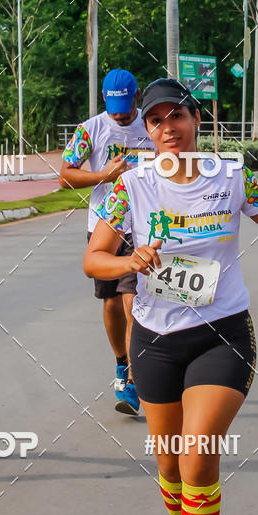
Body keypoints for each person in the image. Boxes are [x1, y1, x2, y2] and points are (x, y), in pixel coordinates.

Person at [84, 78, 258, 515]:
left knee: (197, 453)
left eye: (176, 117)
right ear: (147, 129)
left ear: (196, 120)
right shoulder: (132, 187)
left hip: (222, 333)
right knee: (168, 463)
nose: (167, 129)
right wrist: (129, 261)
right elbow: (94, 260)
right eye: (155, 121)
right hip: (155, 340)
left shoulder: (232, 177)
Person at [59, 69, 154, 415]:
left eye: (126, 107)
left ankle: (131, 381)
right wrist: (103, 175)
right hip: (104, 228)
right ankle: (120, 363)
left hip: (142, 227)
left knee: (132, 304)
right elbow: (65, 176)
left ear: (137, 95)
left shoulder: (152, 125)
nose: (119, 114)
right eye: (113, 108)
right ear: (104, 99)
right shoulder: (90, 130)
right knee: (112, 304)